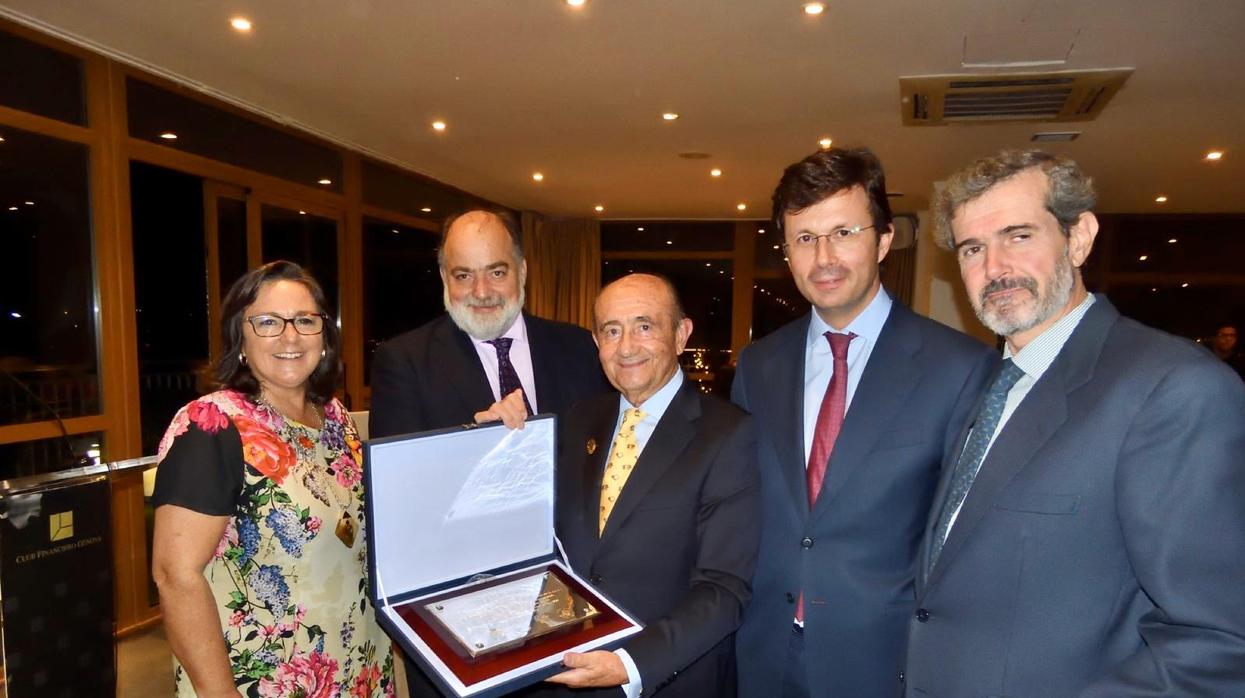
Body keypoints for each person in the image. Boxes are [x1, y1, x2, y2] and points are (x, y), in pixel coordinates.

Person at [905, 149, 1245, 696]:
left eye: (1018, 236)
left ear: (1080, 237)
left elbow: (1220, 641)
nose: (994, 268)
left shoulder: (1174, 388)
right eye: (973, 248)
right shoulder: (990, 383)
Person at [732, 147, 997, 697]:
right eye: (805, 238)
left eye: (844, 233)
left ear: (883, 239)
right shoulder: (759, 365)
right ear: (786, 252)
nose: (823, 257)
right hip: (760, 650)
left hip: (883, 660)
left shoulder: (959, 368)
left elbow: (964, 541)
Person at [151, 261, 394, 697]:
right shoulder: (211, 425)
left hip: (356, 664)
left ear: (324, 336)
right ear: (239, 337)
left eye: (305, 320)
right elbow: (175, 575)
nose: (290, 336)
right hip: (263, 681)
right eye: (267, 322)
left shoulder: (335, 417)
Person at [536, 273, 760, 697]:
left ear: (681, 334)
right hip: (566, 671)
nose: (626, 347)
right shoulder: (581, 419)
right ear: (596, 342)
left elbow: (724, 588)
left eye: (644, 326)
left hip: (665, 678)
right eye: (612, 331)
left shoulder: (728, 434)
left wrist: (630, 663)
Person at [368, 208, 609, 438]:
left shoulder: (581, 348)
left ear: (522, 271)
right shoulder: (405, 363)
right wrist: (478, 444)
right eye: (464, 276)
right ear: (444, 278)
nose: (481, 292)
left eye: (496, 273)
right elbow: (398, 475)